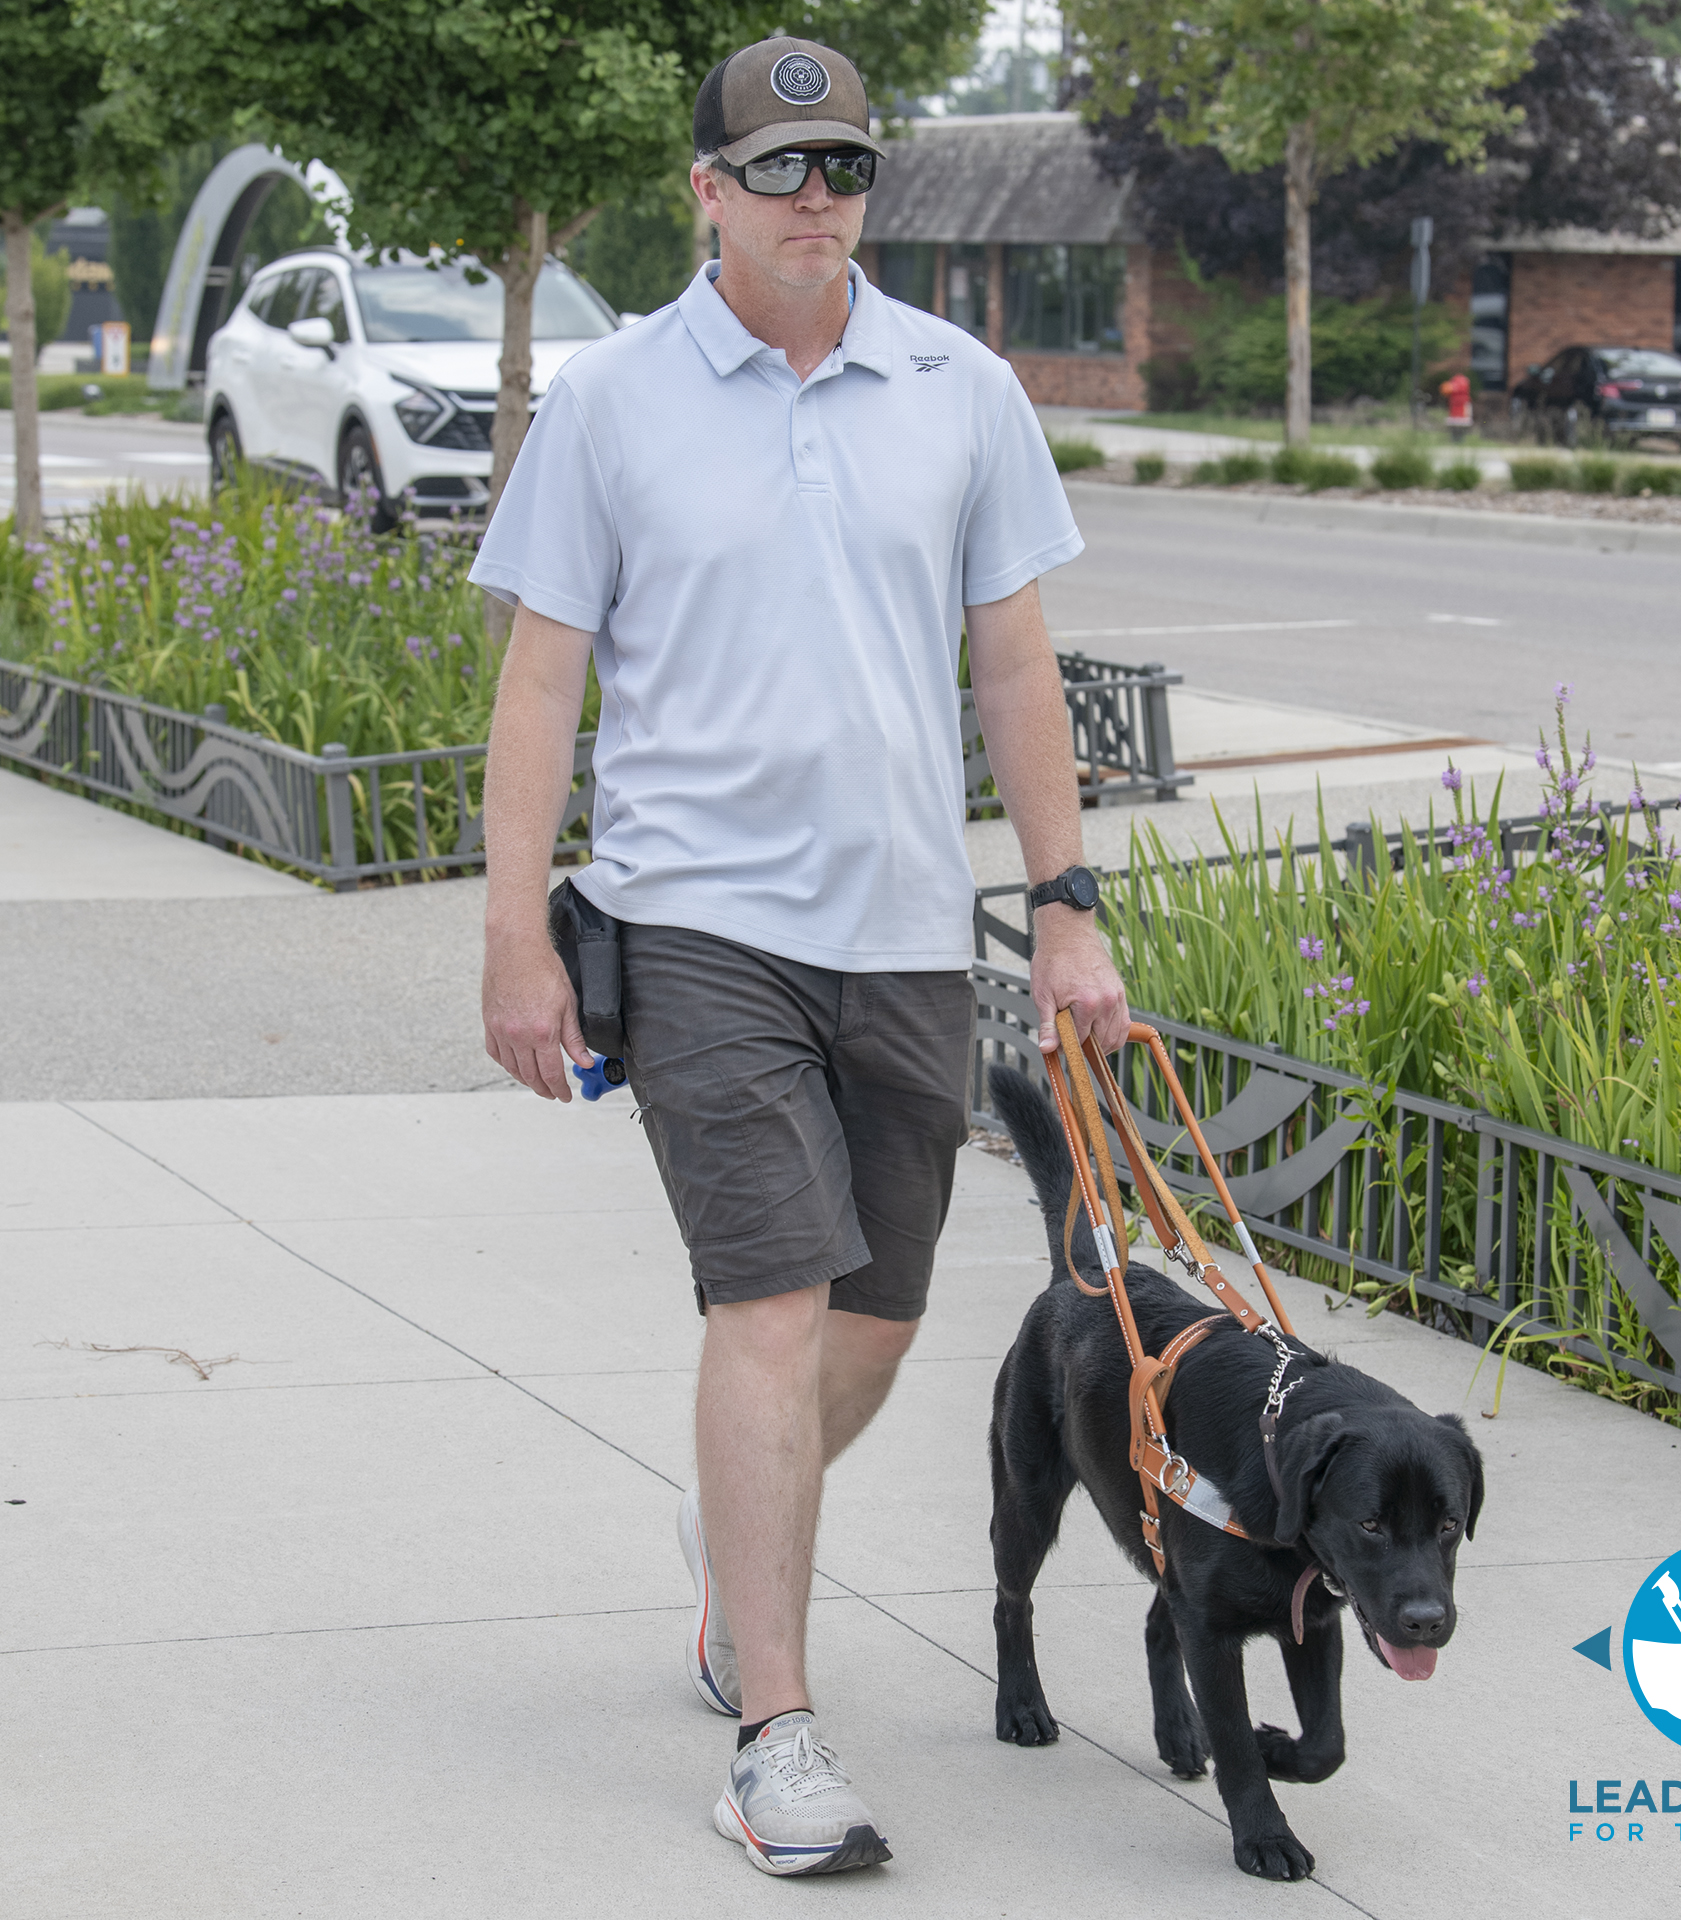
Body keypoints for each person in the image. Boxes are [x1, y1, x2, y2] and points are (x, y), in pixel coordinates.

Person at [472, 33, 1129, 1879]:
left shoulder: (958, 383)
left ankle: (729, 1538)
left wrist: (1067, 903)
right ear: (707, 191)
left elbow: (1013, 660)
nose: (816, 197)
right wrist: (517, 934)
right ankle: (777, 1730)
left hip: (905, 928)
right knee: (764, 1301)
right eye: (777, 168)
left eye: (841, 165)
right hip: (698, 923)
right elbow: (539, 681)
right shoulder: (608, 400)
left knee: (878, 1319)